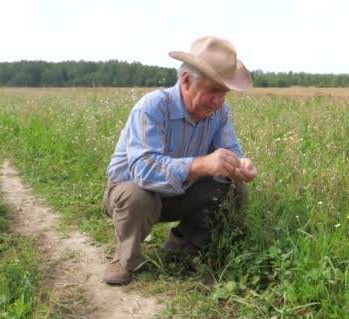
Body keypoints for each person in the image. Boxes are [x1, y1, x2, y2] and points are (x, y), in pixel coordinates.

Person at [102, 36, 257, 285]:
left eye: (224, 93)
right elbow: (143, 170)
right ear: (186, 81)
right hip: (132, 194)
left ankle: (183, 244)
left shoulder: (219, 112)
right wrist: (203, 164)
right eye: (213, 91)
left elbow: (230, 151)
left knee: (231, 188)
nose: (219, 101)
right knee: (137, 195)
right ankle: (125, 257)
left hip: (179, 193)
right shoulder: (151, 107)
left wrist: (240, 164)